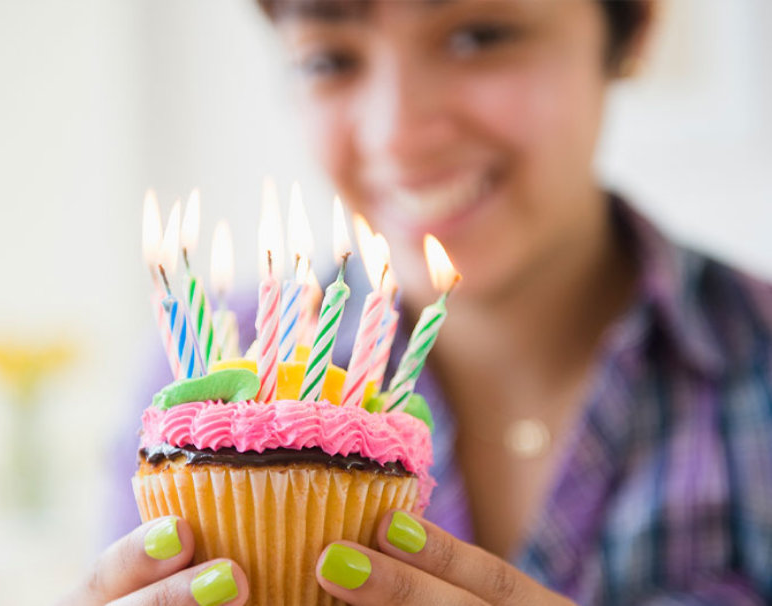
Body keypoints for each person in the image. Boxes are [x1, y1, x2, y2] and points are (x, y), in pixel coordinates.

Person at [60, 1, 772, 604]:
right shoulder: (208, 381)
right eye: (331, 59)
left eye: (478, 37)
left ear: (635, 28)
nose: (397, 133)